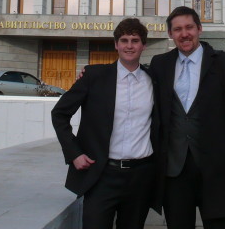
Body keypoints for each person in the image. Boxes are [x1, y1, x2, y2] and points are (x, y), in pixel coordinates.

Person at [151, 5, 225, 229]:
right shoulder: (159, 65)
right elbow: (131, 76)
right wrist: (92, 74)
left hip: (218, 171)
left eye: (189, 27)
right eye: (178, 29)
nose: (184, 34)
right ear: (170, 34)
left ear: (200, 28)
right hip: (175, 173)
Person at [51, 18, 160, 229]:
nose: (129, 45)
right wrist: (74, 153)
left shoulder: (154, 79)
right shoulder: (94, 76)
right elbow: (60, 114)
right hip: (102, 175)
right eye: (124, 40)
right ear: (116, 44)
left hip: (141, 176)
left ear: (143, 45)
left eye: (135, 40)